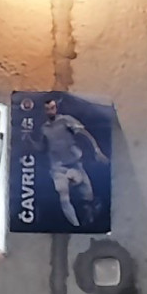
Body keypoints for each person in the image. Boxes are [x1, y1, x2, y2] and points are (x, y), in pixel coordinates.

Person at [37, 97, 106, 228]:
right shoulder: (43, 129)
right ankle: (75, 225)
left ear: (56, 108)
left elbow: (84, 134)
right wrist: (29, 141)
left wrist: (96, 150)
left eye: (52, 108)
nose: (50, 111)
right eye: (47, 109)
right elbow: (42, 147)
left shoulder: (66, 120)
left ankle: (88, 217)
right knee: (64, 196)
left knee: (88, 196)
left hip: (75, 164)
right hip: (58, 168)